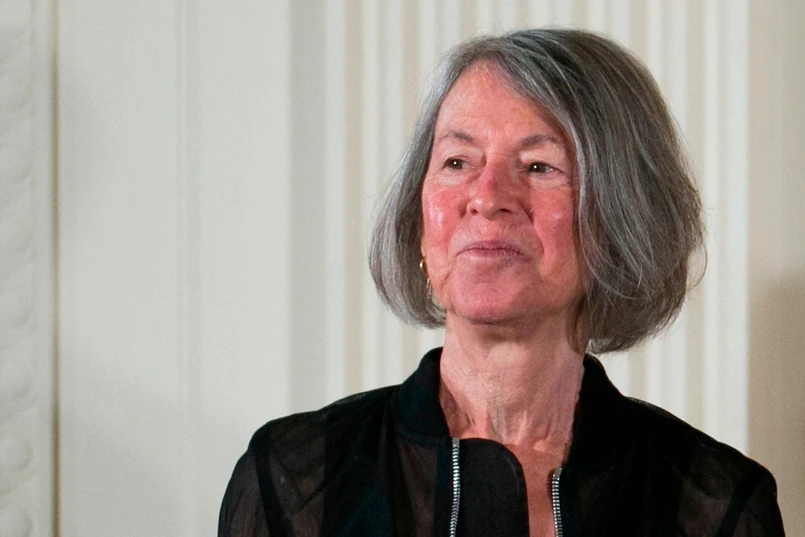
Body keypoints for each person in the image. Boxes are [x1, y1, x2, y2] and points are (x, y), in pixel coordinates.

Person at [218, 28, 785, 537]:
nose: (487, 198)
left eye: (539, 167)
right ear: (420, 223)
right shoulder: (294, 483)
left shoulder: (716, 507)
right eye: (457, 162)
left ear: (619, 221)